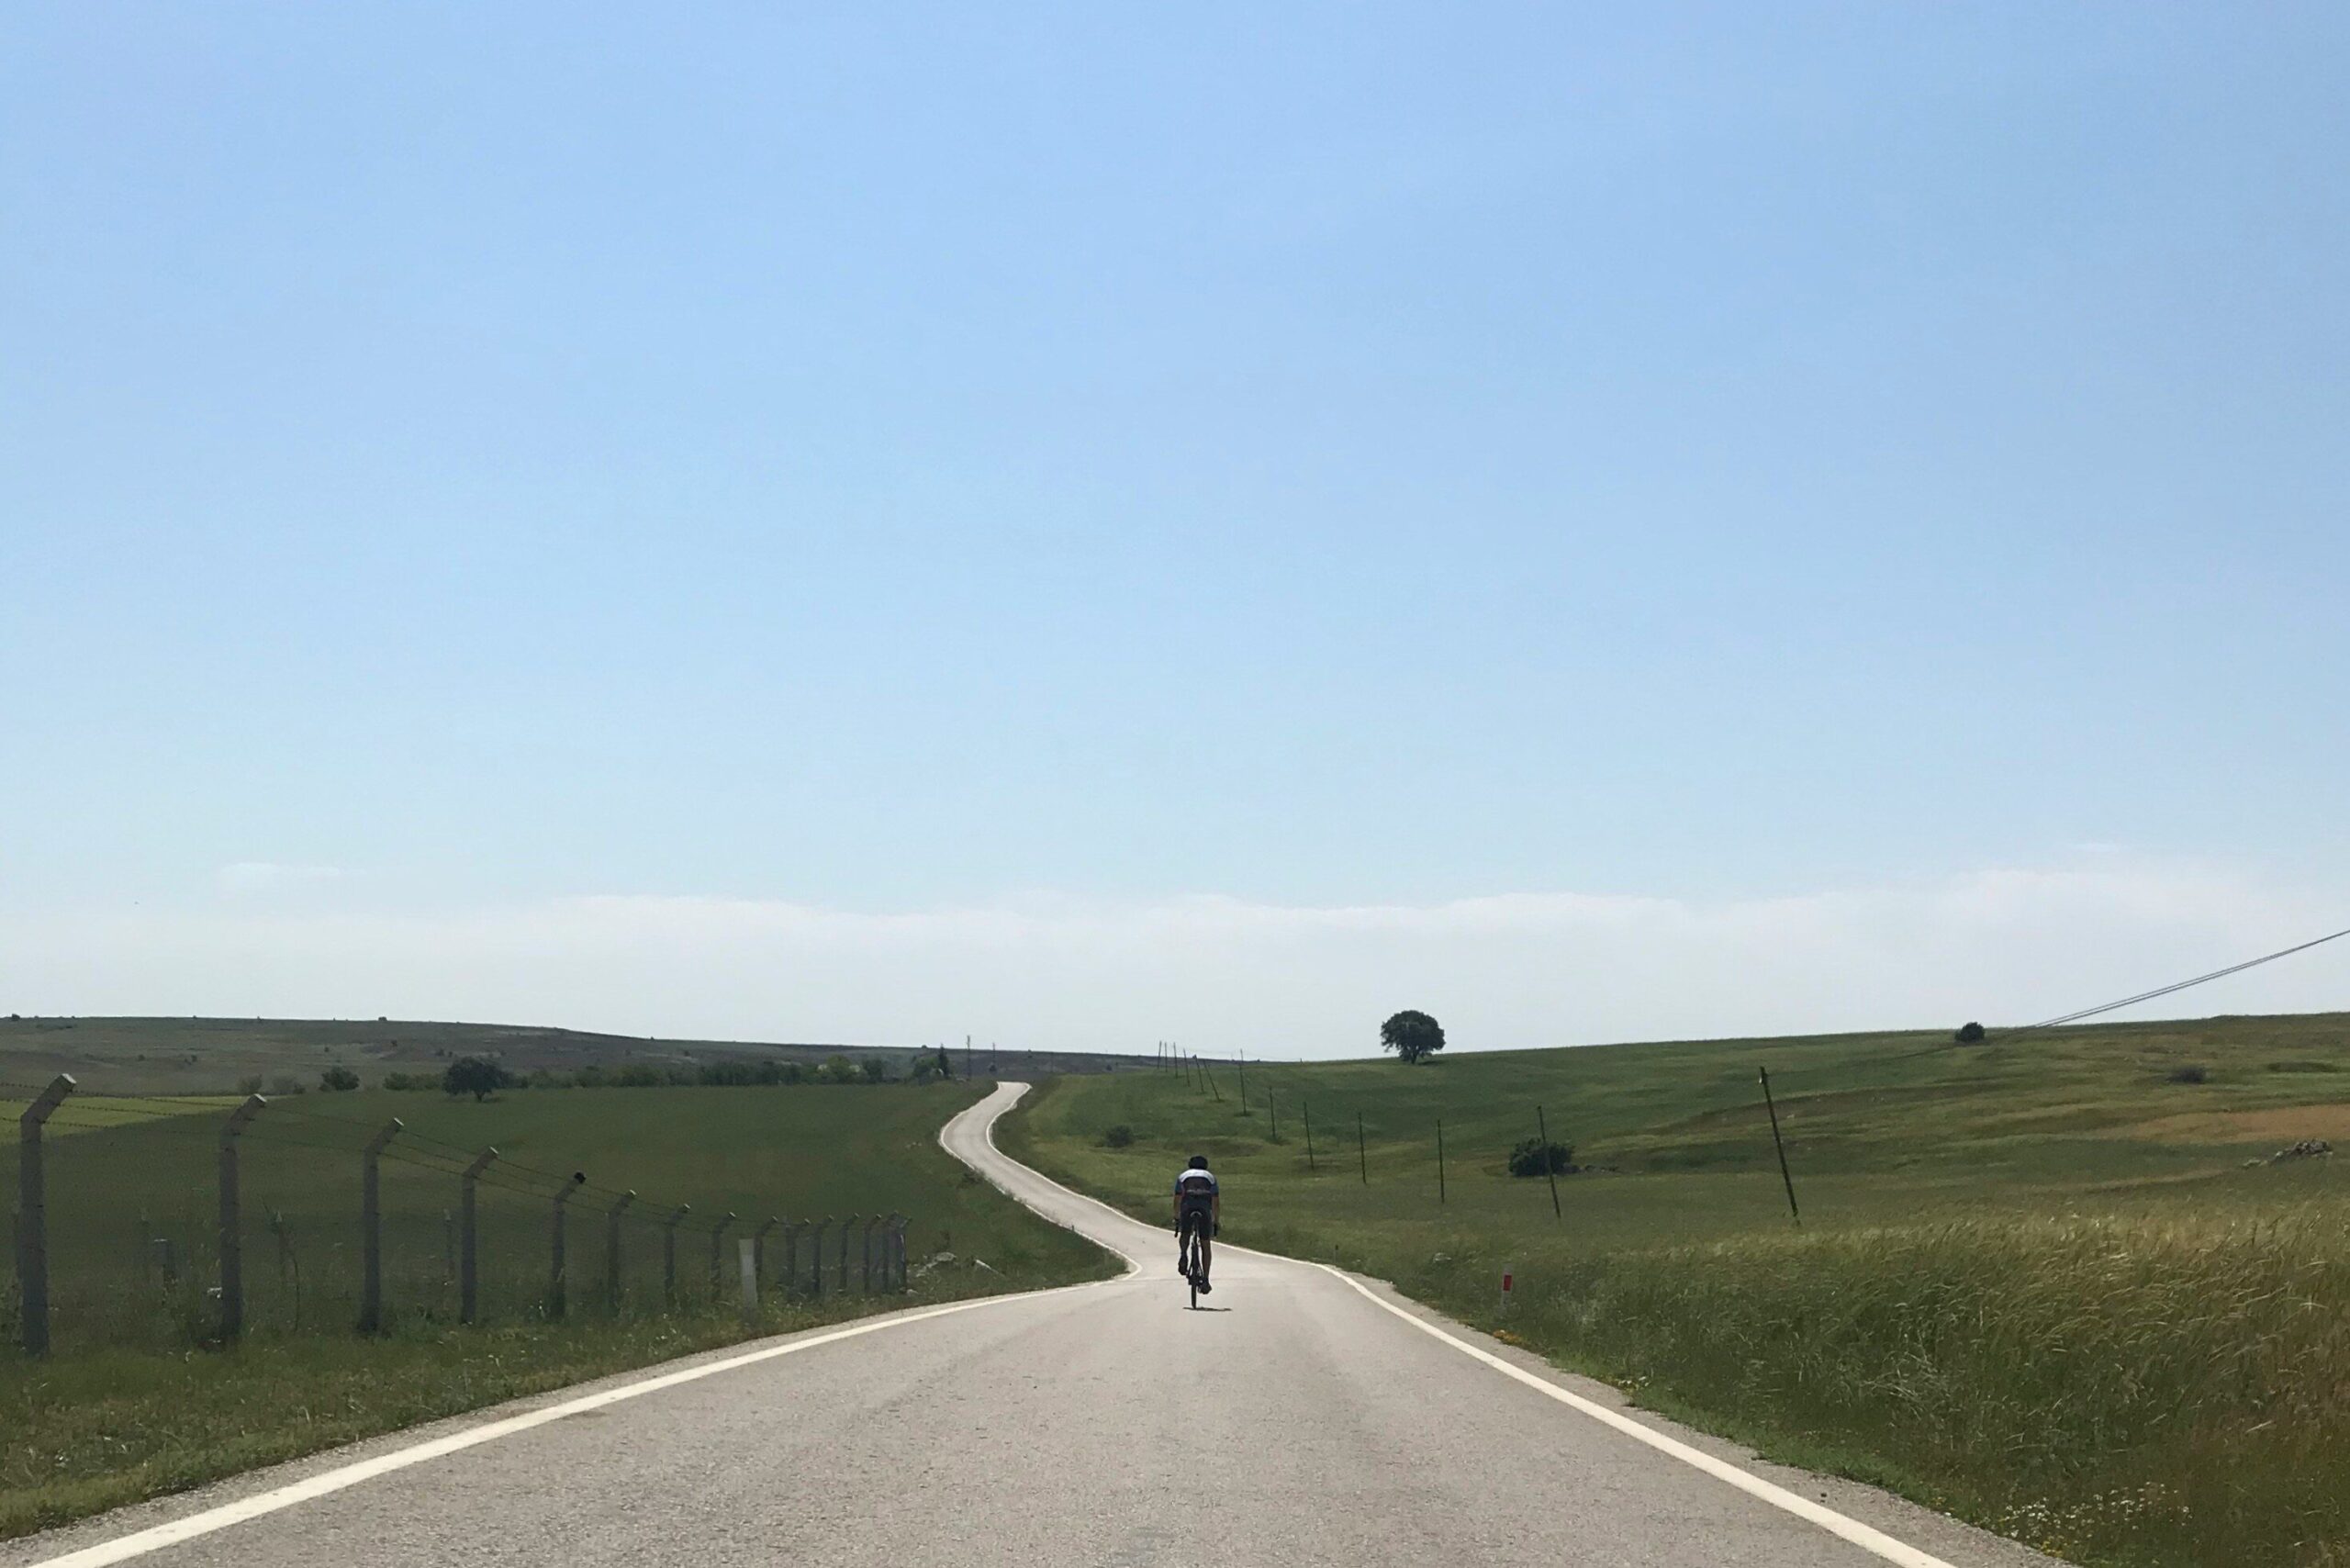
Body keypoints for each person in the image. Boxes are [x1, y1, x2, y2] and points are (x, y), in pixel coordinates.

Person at [1173, 1154, 1219, 1291]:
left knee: (1185, 1233)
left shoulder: (1183, 1176)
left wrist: (1176, 1216)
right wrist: (1216, 1220)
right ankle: (1205, 1279)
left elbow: (1177, 1197)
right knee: (1205, 1244)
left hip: (1188, 1206)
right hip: (1204, 1208)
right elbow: (1215, 1200)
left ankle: (1183, 1255)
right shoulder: (1210, 1177)